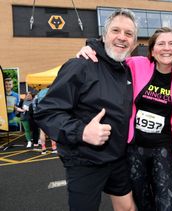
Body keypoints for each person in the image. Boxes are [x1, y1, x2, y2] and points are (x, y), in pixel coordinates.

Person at [34, 8, 138, 211]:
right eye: (116, 30)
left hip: (117, 158)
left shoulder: (127, 70)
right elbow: (46, 111)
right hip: (84, 161)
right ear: (104, 35)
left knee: (127, 208)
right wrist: (81, 131)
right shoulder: (80, 65)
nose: (122, 37)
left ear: (134, 42)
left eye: (128, 34)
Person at [77, 27, 172, 211]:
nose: (166, 48)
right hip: (134, 148)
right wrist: (90, 47)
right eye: (161, 43)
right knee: (142, 201)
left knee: (167, 202)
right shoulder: (137, 64)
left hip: (163, 148)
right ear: (152, 50)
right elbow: (110, 57)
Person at [35, 87, 57, 154]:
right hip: (50, 111)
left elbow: (35, 103)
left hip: (40, 111)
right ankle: (54, 147)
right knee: (52, 130)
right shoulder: (53, 91)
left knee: (42, 131)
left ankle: (43, 148)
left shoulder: (40, 92)